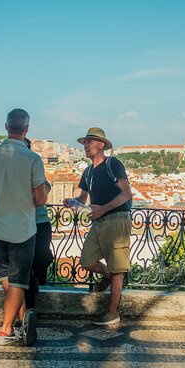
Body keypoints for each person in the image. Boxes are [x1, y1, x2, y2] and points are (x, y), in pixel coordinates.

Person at [0, 109, 47, 346]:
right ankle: (6, 331)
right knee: (18, 281)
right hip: (22, 229)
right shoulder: (32, 159)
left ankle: (22, 313)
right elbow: (40, 200)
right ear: (26, 129)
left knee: (6, 276)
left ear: (6, 126)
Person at [63, 127, 132, 326]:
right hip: (99, 221)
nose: (85, 145)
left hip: (117, 219)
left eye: (89, 142)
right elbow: (83, 199)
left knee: (117, 267)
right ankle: (108, 276)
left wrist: (103, 209)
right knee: (86, 261)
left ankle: (112, 312)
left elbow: (127, 193)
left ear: (101, 145)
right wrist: (73, 202)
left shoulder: (113, 164)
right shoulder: (88, 172)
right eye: (84, 142)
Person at [23, 138, 54, 315]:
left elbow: (46, 187)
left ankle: (32, 298)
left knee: (41, 257)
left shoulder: (35, 163)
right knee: (26, 266)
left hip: (40, 221)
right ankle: (30, 307)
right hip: (24, 222)